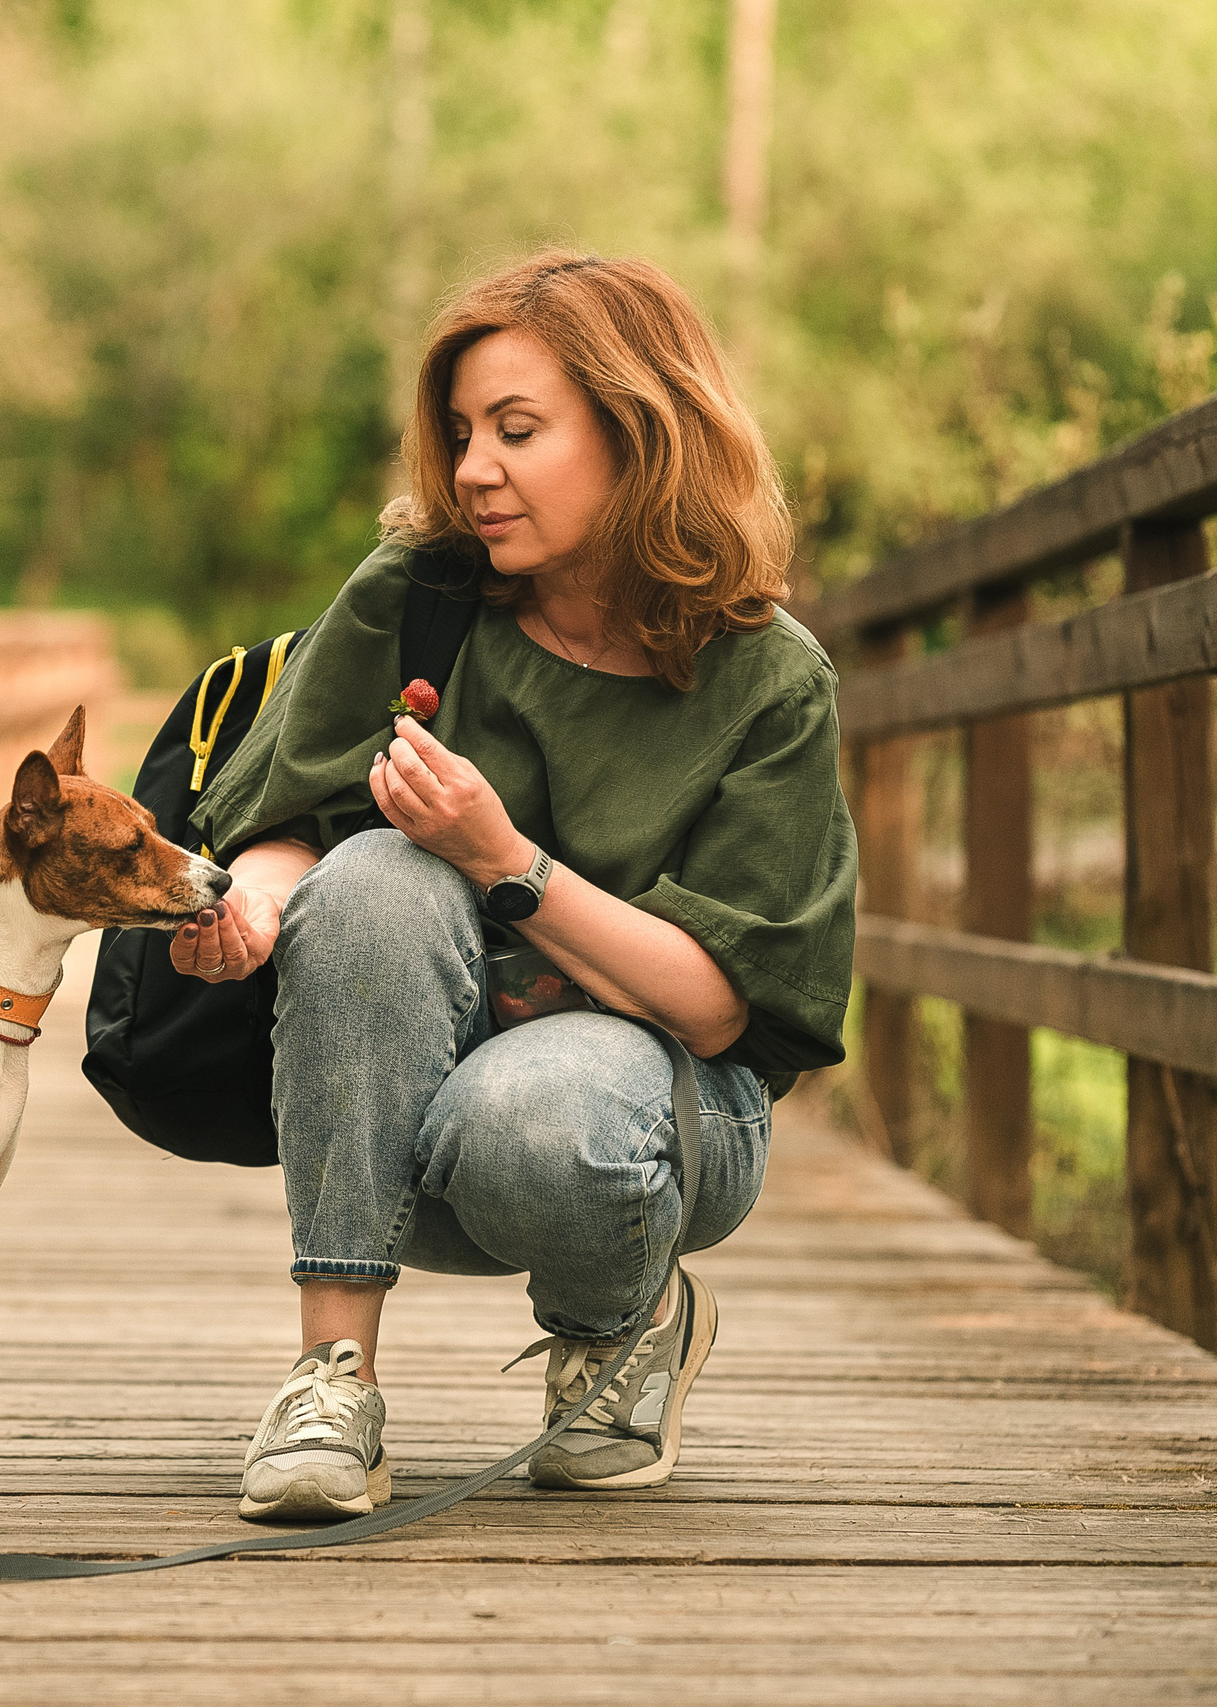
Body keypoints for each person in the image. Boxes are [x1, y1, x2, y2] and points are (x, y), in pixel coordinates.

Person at [176, 249, 856, 1523]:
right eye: (461, 432)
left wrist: (504, 861)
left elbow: (716, 1014)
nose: (473, 467)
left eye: (518, 430)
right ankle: (331, 1382)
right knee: (374, 870)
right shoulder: (420, 598)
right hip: (396, 1123)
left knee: (530, 1114)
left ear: (641, 434)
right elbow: (291, 818)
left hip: (649, 1125)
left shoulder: (769, 681)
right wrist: (260, 904)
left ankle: (618, 1327)